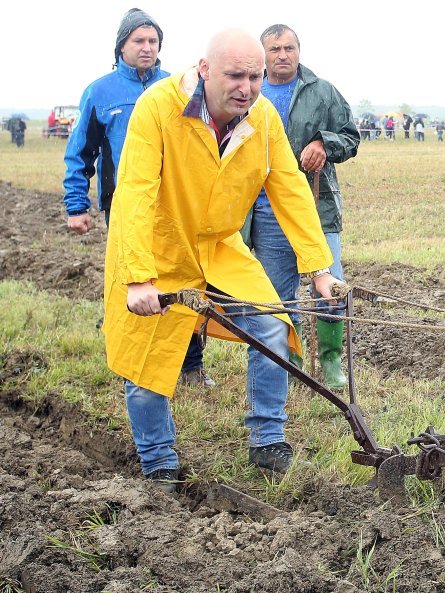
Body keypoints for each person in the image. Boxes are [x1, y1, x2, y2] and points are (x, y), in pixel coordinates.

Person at [104, 29, 344, 491]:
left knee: (272, 323)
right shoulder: (158, 108)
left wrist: (319, 267)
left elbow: (289, 187)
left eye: (255, 77)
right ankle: (157, 458)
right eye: (235, 75)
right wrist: (138, 279)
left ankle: (268, 439)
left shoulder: (262, 116)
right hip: (158, 249)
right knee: (148, 357)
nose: (247, 87)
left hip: (218, 247)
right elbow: (134, 191)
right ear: (204, 69)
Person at [62, 10, 213, 388]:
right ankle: (134, 362)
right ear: (121, 46)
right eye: (138, 41)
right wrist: (76, 205)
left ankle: (191, 365)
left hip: (178, 206)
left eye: (153, 41)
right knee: (135, 279)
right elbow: (80, 152)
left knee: (186, 282)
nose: (147, 48)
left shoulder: (177, 88)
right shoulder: (100, 92)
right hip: (126, 205)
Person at [244, 23, 359, 388]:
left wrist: (325, 144)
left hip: (317, 205)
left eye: (289, 47)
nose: (283, 55)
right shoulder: (248, 93)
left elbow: (351, 137)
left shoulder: (322, 91)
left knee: (329, 286)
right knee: (277, 294)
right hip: (264, 210)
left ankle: (330, 362)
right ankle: (289, 359)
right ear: (262, 55)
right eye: (275, 49)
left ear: (299, 51)